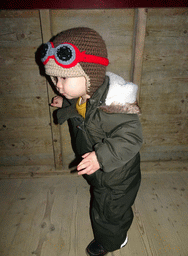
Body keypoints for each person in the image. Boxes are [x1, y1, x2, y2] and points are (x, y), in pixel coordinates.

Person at [40, 27, 143, 256]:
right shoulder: (82, 96)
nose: (58, 84)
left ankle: (114, 240)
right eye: (55, 78)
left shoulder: (114, 107)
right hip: (101, 170)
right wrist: (65, 102)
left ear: (89, 74)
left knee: (110, 210)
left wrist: (101, 157)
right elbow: (82, 111)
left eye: (64, 78)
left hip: (118, 175)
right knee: (102, 200)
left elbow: (132, 137)